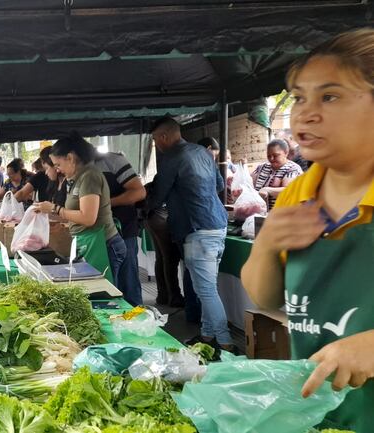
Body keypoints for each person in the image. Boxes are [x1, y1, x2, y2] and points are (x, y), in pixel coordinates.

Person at [241, 29, 374, 433]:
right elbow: (266, 297)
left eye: (329, 96)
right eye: (299, 97)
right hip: (324, 414)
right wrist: (266, 245)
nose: (305, 113)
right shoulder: (301, 190)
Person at [148, 117, 234, 350]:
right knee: (207, 287)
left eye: (155, 139)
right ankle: (206, 336)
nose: (156, 143)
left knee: (205, 290)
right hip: (217, 225)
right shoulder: (203, 152)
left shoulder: (171, 159)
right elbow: (218, 185)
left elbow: (158, 195)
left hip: (197, 230)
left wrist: (142, 208)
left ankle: (225, 343)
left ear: (164, 136)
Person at [34, 134, 126, 288]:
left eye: (58, 164)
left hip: (103, 245)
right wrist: (49, 214)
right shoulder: (78, 178)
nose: (57, 169)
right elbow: (75, 213)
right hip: (90, 242)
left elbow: (88, 218)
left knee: (104, 294)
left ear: (70, 158)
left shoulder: (89, 176)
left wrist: (55, 209)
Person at [94, 152, 147, 306]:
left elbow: (139, 192)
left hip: (122, 230)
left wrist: (105, 203)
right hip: (96, 236)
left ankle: (137, 322)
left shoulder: (112, 161)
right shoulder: (74, 170)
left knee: (128, 279)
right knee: (108, 283)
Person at [251, 138, 304, 210]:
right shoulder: (262, 167)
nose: (271, 159)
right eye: (269, 156)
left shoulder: (293, 169)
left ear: (286, 153)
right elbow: (250, 182)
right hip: (261, 214)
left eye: (275, 155)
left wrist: (267, 190)